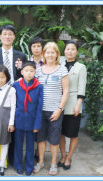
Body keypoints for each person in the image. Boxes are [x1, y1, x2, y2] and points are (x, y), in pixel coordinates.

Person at [0, 24, 27, 165]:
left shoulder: (21, 55)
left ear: (14, 37)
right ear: (0, 36)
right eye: (5, 34)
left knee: (13, 125)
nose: (7, 36)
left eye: (10, 34)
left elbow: (24, 74)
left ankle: (13, 160)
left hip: (16, 93)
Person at [34, 42, 69, 175]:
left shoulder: (62, 69)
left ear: (57, 54)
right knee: (41, 138)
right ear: (43, 54)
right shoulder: (38, 70)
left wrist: (60, 109)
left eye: (52, 52)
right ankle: (41, 161)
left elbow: (66, 91)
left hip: (55, 110)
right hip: (40, 110)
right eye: (47, 52)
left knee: (54, 139)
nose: (50, 54)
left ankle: (53, 163)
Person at [58, 40, 87, 170]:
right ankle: (63, 156)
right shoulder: (59, 64)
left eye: (73, 49)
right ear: (64, 51)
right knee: (60, 133)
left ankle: (69, 157)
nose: (70, 51)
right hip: (59, 103)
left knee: (73, 134)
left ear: (77, 51)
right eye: (68, 49)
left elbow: (82, 87)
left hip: (74, 102)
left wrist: (78, 104)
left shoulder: (81, 67)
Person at [13, 61, 43, 176]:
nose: (29, 73)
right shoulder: (16, 85)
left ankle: (29, 167)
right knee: (18, 145)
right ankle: (18, 166)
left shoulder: (39, 86)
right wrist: (12, 122)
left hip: (32, 121)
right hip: (18, 119)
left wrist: (37, 125)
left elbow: (39, 107)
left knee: (30, 146)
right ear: (22, 72)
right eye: (26, 71)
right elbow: (13, 104)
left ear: (35, 72)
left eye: (31, 71)